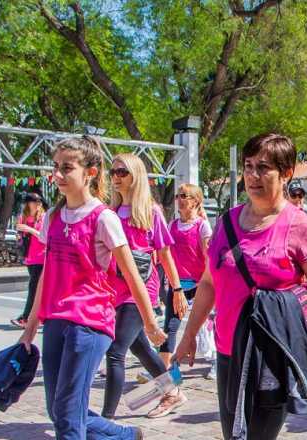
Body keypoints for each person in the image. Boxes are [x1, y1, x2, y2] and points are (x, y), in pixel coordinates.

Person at [174, 133, 307, 440]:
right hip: (228, 350)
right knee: (234, 434)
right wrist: (189, 334)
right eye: (248, 166)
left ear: (286, 174)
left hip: (273, 354)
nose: (253, 176)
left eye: (264, 168)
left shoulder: (300, 226)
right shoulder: (226, 223)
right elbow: (208, 283)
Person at [17, 136, 166, 440]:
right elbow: (46, 274)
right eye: (55, 167)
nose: (57, 175)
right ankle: (124, 435)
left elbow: (132, 274)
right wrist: (31, 324)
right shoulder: (54, 217)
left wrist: (150, 322)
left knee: (68, 417)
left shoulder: (104, 218)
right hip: (56, 320)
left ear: (91, 172)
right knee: (58, 411)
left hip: (89, 323)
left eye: (66, 168)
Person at [102, 153, 186, 419]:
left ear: (135, 175)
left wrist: (177, 289)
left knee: (115, 353)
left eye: (122, 172)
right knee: (140, 348)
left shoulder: (150, 212)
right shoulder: (110, 213)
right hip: (115, 290)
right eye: (113, 172)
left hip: (140, 292)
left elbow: (165, 254)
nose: (115, 177)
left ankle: (106, 419)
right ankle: (173, 391)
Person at [166, 183, 215, 378]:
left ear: (195, 201)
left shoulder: (202, 226)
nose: (179, 199)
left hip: (198, 286)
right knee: (170, 328)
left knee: (203, 330)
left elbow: (208, 257)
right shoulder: (172, 226)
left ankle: (215, 362)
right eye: (178, 195)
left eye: (184, 195)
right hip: (177, 286)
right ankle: (170, 372)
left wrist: (207, 284)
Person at [12, 192, 46, 328]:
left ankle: (25, 318)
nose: (30, 204)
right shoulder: (23, 218)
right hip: (30, 258)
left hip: (41, 258)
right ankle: (41, 317)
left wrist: (29, 229)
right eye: (28, 202)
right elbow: (21, 237)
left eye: (32, 202)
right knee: (38, 289)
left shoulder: (43, 218)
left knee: (33, 288)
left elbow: (44, 237)